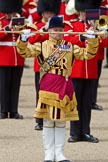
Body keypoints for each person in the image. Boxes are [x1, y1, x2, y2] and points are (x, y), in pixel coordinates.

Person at [17, 16, 99, 162]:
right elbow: (25, 52)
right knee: (48, 122)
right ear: (49, 31)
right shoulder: (42, 46)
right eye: (55, 30)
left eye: (61, 30)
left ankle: (59, 153)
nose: (58, 32)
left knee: (61, 121)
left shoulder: (69, 46)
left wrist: (92, 40)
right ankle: (49, 154)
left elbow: (88, 54)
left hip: (64, 86)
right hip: (48, 86)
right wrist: (22, 40)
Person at [64, 0, 102, 143]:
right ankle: (74, 132)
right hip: (76, 69)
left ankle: (85, 131)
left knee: (86, 103)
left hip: (91, 70)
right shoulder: (72, 25)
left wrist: (97, 31)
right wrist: (82, 36)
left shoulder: (97, 26)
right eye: (84, 11)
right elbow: (67, 40)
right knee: (75, 103)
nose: (86, 14)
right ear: (79, 11)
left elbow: (105, 43)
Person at [28, 0, 61, 130]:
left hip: (56, 62)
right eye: (47, 12)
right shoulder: (37, 26)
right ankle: (40, 120)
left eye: (51, 12)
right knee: (41, 93)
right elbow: (31, 40)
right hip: (42, 64)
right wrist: (43, 30)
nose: (49, 14)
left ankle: (53, 118)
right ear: (42, 12)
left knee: (55, 92)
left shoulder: (59, 26)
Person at [0, 0, 24, 119]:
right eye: (11, 12)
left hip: (18, 58)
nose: (13, 14)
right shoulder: (1, 22)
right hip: (4, 58)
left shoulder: (20, 21)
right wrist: (7, 29)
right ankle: (3, 110)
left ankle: (14, 110)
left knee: (15, 85)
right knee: (3, 85)